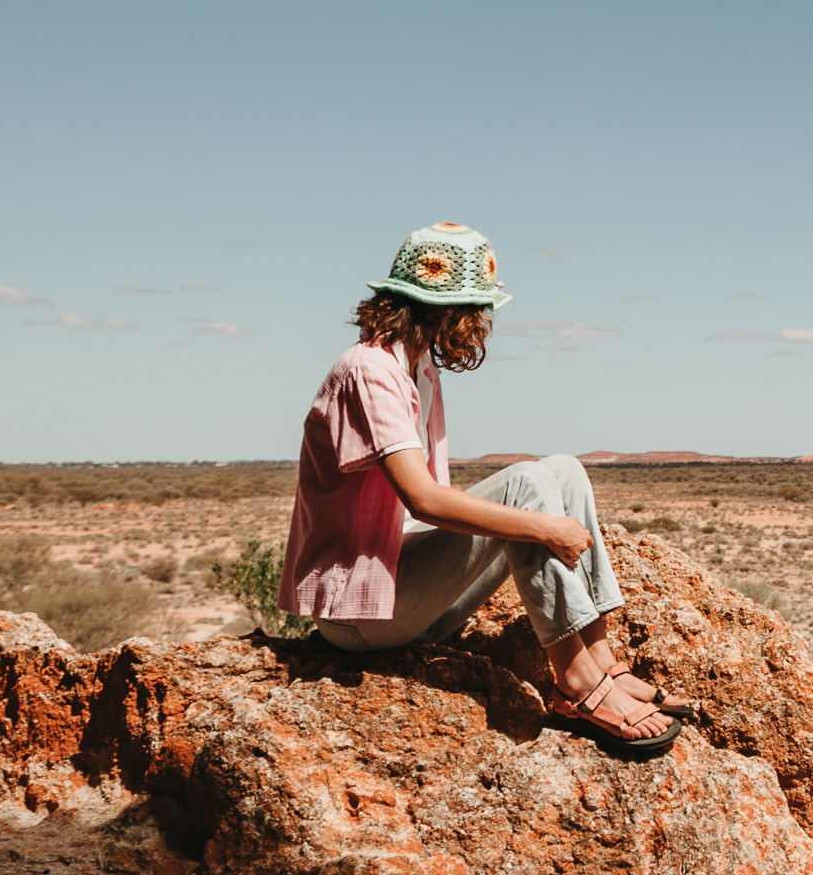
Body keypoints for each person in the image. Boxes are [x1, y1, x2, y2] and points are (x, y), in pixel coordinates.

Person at [284, 222, 673, 755]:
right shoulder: (369, 372)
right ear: (438, 308)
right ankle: (577, 682)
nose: (484, 322)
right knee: (528, 485)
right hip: (359, 617)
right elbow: (424, 501)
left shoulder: (414, 366)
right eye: (476, 308)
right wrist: (546, 528)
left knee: (563, 468)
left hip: (406, 590)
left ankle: (601, 659)